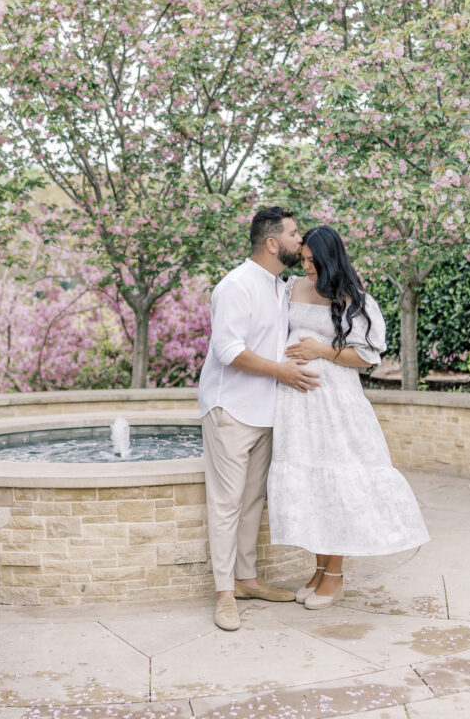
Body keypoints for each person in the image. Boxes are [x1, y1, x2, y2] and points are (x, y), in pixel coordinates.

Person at [267, 225, 429, 609]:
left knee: (335, 480)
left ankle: (335, 576)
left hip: (335, 405)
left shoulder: (354, 299)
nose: (306, 267)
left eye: (313, 261)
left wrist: (322, 350)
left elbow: (367, 357)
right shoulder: (290, 288)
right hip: (297, 406)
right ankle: (320, 570)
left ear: (330, 260)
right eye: (303, 259)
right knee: (312, 486)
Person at [198, 206, 321, 631]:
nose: (298, 240)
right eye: (293, 234)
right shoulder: (235, 286)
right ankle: (224, 595)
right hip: (230, 408)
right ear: (272, 244)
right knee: (226, 503)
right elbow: (227, 351)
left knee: (252, 502)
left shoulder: (280, 285)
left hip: (268, 411)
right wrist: (281, 371)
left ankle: (247, 579)